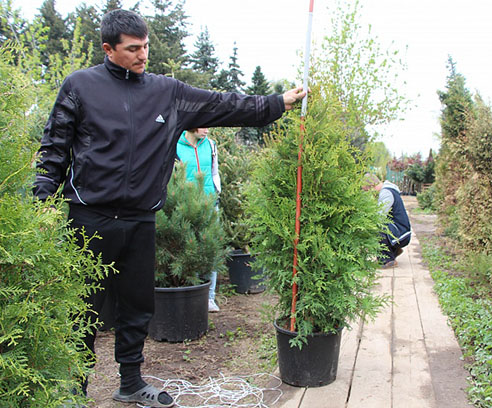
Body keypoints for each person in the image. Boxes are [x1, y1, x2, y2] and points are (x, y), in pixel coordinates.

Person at [33, 9, 306, 408]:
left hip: (141, 219)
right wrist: (42, 199)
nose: (143, 55)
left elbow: (224, 105)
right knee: (83, 308)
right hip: (89, 218)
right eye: (133, 49)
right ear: (108, 49)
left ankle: (130, 382)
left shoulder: (168, 92)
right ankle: (75, 389)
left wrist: (275, 102)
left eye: (146, 46)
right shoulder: (80, 86)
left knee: (137, 305)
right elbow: (55, 146)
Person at [176, 127, 221, 312]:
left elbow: (214, 171)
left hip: (210, 203)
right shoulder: (174, 146)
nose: (207, 130)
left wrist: (217, 192)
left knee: (211, 248)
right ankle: (192, 295)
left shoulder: (211, 145)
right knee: (189, 249)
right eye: (203, 126)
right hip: (185, 204)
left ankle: (210, 298)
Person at [364, 174, 411, 269]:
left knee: (377, 229)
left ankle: (387, 260)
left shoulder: (386, 193)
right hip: (402, 232)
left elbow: (379, 218)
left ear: (371, 186)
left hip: (401, 235)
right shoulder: (388, 190)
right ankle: (393, 251)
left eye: (366, 190)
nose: (367, 194)